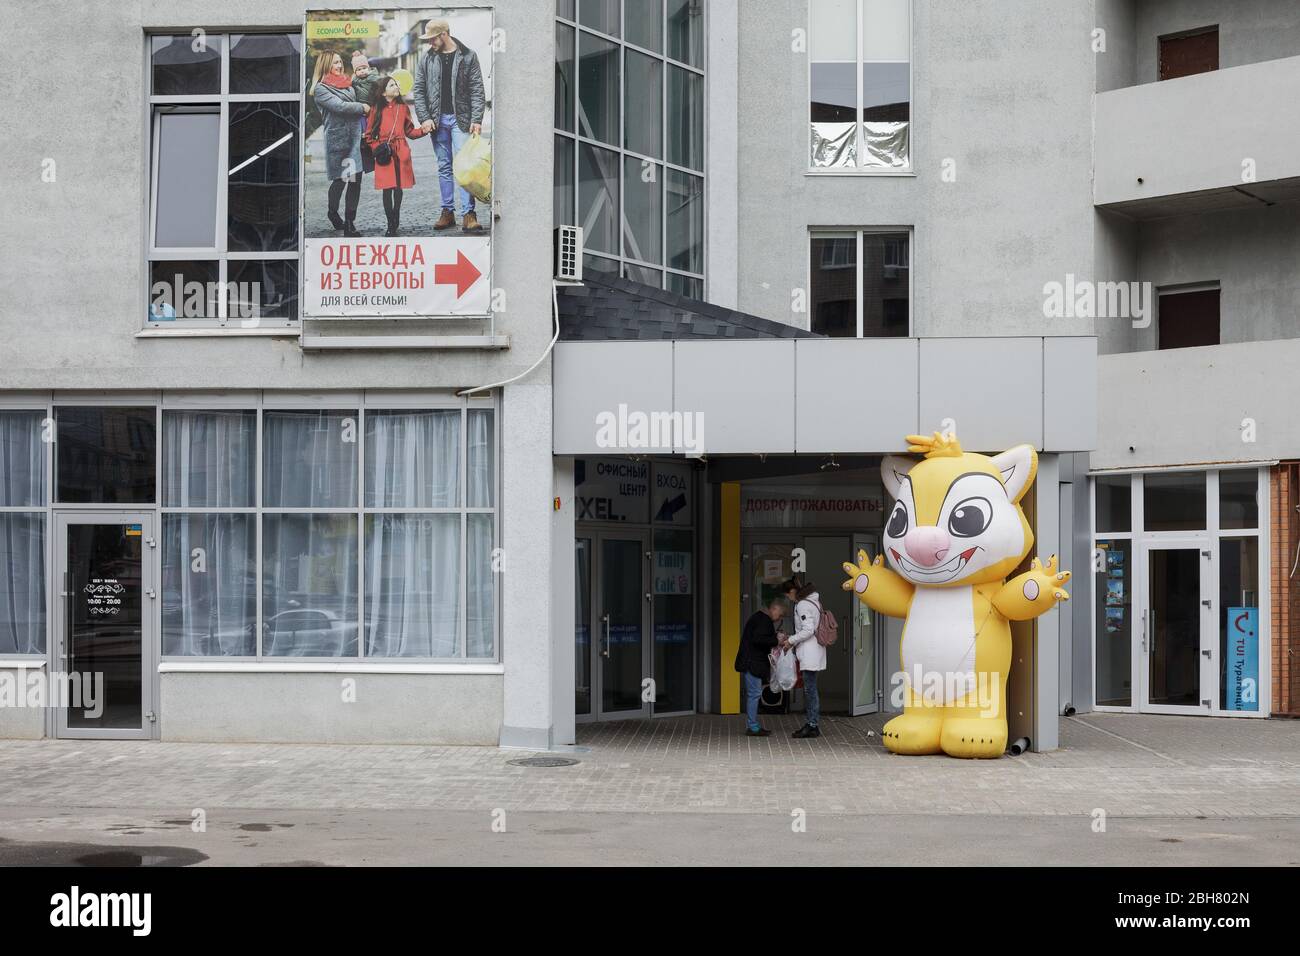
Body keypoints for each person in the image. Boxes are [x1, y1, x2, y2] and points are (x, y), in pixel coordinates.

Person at [411, 18, 485, 234]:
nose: (429, 43)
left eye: (432, 38)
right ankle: (447, 212)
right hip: (436, 121)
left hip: (461, 120)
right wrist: (424, 117)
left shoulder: (468, 56)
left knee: (465, 167)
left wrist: (477, 119)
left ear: (444, 34)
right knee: (444, 166)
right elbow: (419, 90)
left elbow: (477, 89)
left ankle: (469, 215)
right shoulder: (427, 59)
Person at [310, 52, 371, 237]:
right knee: (341, 180)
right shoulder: (321, 89)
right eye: (335, 62)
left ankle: (350, 223)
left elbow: (368, 84)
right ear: (326, 65)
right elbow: (340, 107)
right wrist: (362, 107)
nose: (339, 65)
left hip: (355, 138)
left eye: (340, 61)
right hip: (339, 141)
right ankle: (332, 211)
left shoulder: (348, 82)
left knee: (355, 180)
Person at [364, 76, 429, 236]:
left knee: (398, 188)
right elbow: (369, 135)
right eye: (392, 85)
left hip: (401, 152)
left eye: (396, 84)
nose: (396, 87)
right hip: (384, 153)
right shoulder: (375, 109)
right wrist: (377, 148)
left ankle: (396, 214)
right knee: (387, 189)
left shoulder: (403, 108)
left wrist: (423, 130)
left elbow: (409, 131)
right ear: (384, 92)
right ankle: (390, 224)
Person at [735, 597, 785, 737]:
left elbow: (757, 637)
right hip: (753, 663)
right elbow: (759, 639)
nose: (779, 618)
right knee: (754, 694)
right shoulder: (764, 620)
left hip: (750, 661)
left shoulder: (758, 617)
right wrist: (776, 640)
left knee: (753, 693)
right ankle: (752, 726)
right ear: (773, 609)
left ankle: (753, 725)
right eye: (780, 614)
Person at [785, 582, 827, 739]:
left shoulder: (802, 604)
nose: (788, 598)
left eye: (787, 595)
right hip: (815, 650)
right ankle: (812, 724)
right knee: (811, 688)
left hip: (810, 652)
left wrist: (791, 640)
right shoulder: (814, 601)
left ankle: (812, 725)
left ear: (792, 591)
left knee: (810, 690)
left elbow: (808, 629)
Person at [350, 51, 381, 180]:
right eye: (359, 70)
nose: (362, 71)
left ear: (368, 68)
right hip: (360, 107)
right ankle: (364, 135)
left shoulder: (373, 78)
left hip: (371, 106)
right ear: (355, 72)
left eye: (364, 68)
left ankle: (371, 137)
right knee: (362, 120)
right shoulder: (354, 81)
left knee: (371, 121)